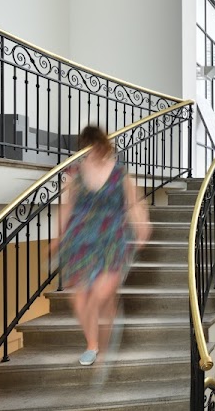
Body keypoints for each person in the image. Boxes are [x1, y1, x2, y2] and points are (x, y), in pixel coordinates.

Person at [55, 125, 151, 366]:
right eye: (89, 147)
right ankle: (92, 344)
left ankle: (109, 316)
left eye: (97, 146)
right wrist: (58, 237)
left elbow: (134, 203)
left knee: (102, 293)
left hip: (110, 238)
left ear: (104, 145)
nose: (94, 151)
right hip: (79, 239)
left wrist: (142, 226)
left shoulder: (120, 174)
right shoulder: (75, 173)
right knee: (80, 296)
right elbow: (67, 206)